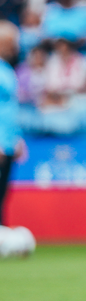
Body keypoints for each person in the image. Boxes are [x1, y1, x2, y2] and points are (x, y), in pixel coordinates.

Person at [0, 21, 27, 228]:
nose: (15, 46)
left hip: (8, 141)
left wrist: (16, 138)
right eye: (10, 41)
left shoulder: (7, 69)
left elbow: (11, 108)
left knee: (2, 194)